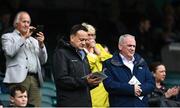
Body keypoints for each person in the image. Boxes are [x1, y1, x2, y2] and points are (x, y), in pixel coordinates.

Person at [1, 11, 48, 107]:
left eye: (28, 22)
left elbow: (43, 60)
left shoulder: (34, 41)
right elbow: (10, 52)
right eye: (24, 22)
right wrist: (24, 37)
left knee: (36, 106)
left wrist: (41, 45)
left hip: (34, 79)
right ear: (16, 23)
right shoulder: (7, 37)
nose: (27, 25)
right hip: (18, 79)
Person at [53, 24, 101, 107]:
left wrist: (93, 82)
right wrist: (85, 81)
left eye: (86, 40)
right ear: (72, 38)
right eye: (81, 40)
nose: (84, 43)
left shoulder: (84, 54)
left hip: (85, 103)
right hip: (69, 103)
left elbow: (86, 81)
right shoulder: (61, 53)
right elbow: (61, 80)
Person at [103, 34, 155, 107]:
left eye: (134, 46)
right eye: (129, 46)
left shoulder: (141, 62)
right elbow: (109, 85)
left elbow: (151, 83)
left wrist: (140, 89)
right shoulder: (109, 63)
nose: (132, 48)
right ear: (120, 46)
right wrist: (131, 89)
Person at [82, 22, 112, 107]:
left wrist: (98, 52)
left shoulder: (98, 46)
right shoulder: (80, 50)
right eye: (89, 35)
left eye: (93, 35)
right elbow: (86, 66)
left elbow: (111, 62)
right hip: (91, 90)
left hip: (104, 91)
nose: (91, 38)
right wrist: (91, 52)